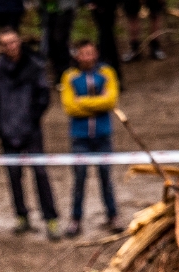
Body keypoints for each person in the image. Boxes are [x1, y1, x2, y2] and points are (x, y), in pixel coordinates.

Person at [0, 26, 59, 239]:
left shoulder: (34, 65)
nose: (11, 46)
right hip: (7, 131)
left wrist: (32, 118)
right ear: (0, 46)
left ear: (19, 42)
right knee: (14, 175)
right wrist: (1, 124)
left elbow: (44, 96)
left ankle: (51, 218)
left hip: (31, 129)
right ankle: (21, 215)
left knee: (40, 173)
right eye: (6, 43)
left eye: (13, 42)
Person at [61, 38, 119, 235]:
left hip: (103, 134)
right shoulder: (69, 76)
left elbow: (110, 101)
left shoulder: (107, 73)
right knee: (79, 179)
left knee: (106, 177)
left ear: (96, 54)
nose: (88, 57)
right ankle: (75, 219)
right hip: (80, 137)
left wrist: (83, 102)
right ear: (77, 56)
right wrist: (97, 102)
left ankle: (113, 215)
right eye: (83, 54)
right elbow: (70, 107)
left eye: (91, 53)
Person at [39, 0, 76, 79]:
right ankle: (55, 72)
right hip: (47, 9)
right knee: (51, 42)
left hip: (64, 8)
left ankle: (64, 73)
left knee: (60, 40)